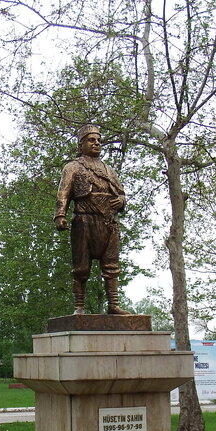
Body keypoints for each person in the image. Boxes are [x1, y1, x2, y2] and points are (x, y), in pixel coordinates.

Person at [54, 124, 131, 315]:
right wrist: (60, 214)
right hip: (84, 221)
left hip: (109, 223)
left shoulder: (109, 170)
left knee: (111, 265)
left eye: (98, 140)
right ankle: (79, 306)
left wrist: (121, 201)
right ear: (81, 145)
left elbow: (121, 193)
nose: (96, 143)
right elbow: (63, 193)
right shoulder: (72, 167)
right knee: (81, 267)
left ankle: (113, 304)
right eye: (91, 140)